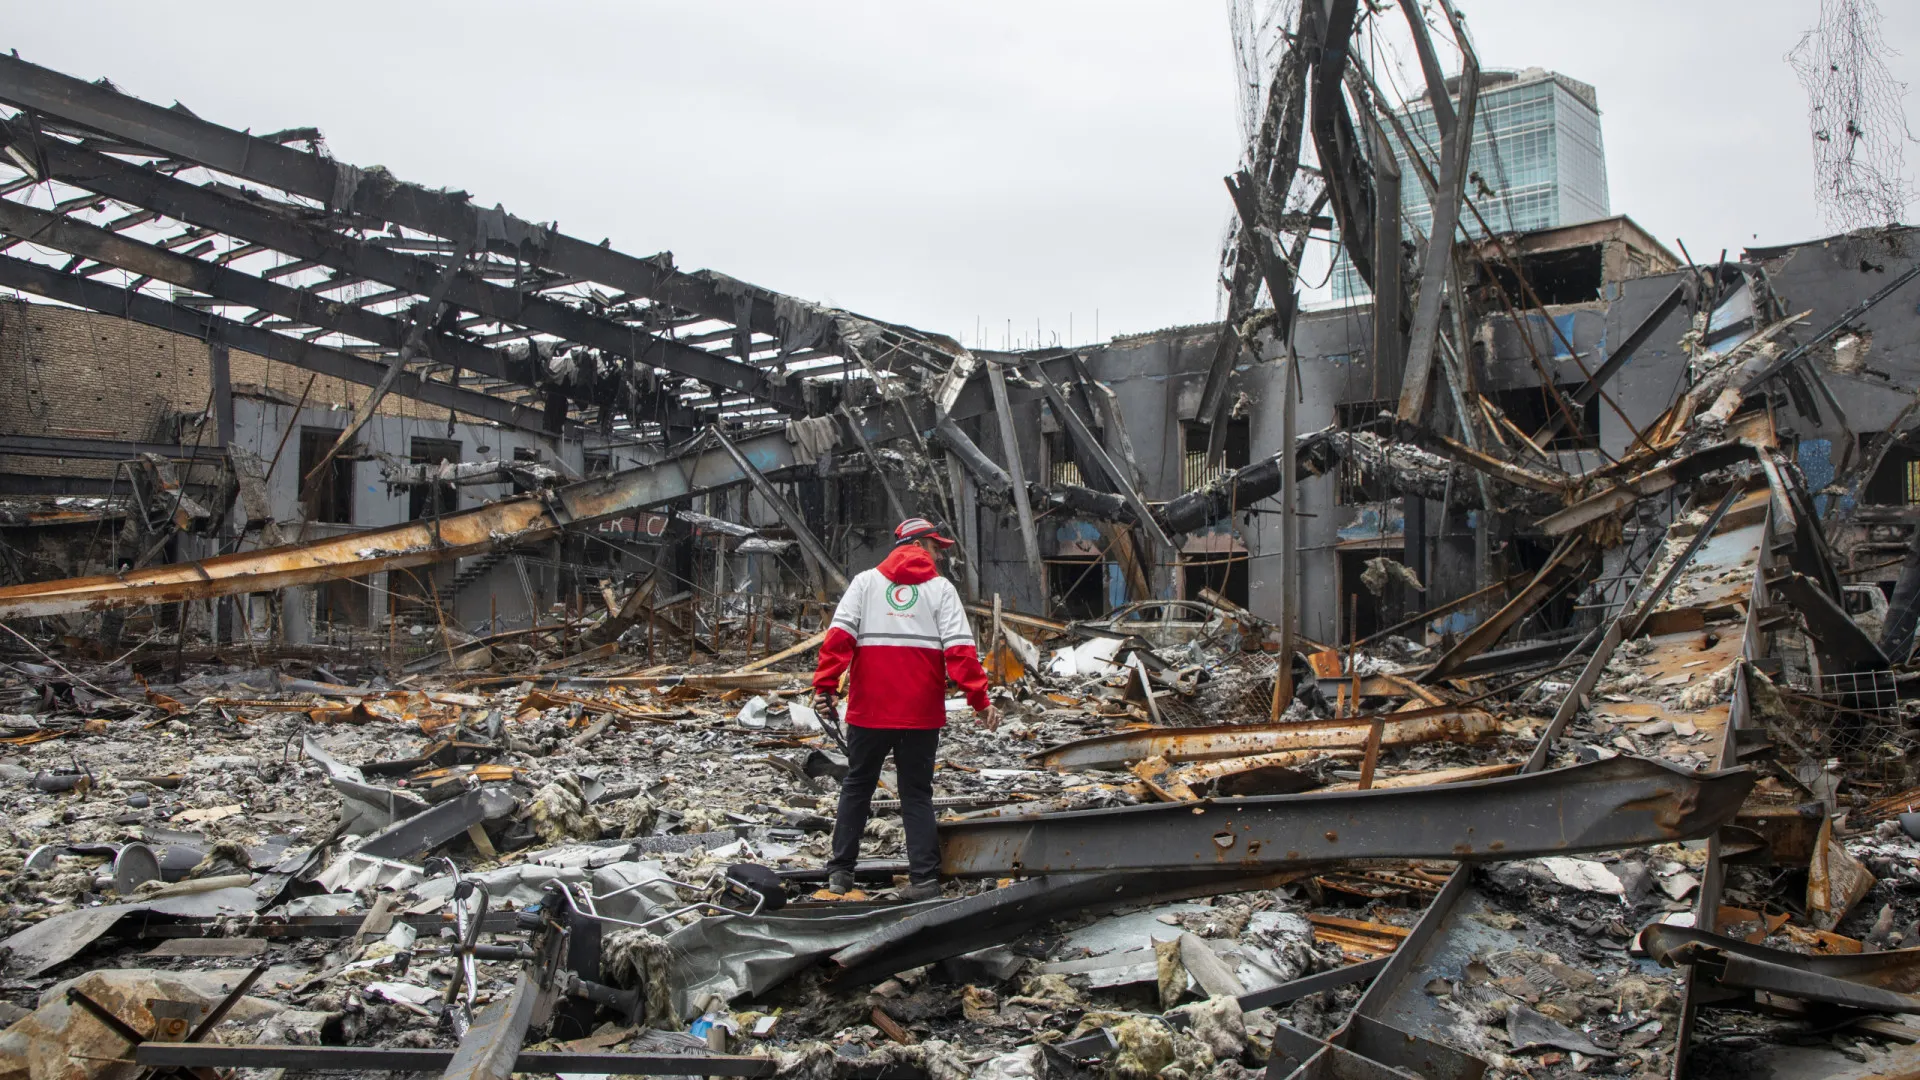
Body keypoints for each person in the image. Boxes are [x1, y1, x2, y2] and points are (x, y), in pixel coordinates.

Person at [811, 517, 1000, 900]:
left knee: (858, 786)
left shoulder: (865, 583)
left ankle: (840, 875)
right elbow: (960, 654)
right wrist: (980, 701)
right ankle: (925, 880)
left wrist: (826, 688)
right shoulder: (940, 590)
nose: (941, 556)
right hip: (920, 713)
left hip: (870, 711)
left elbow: (838, 641)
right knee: (916, 794)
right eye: (937, 547)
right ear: (920, 544)